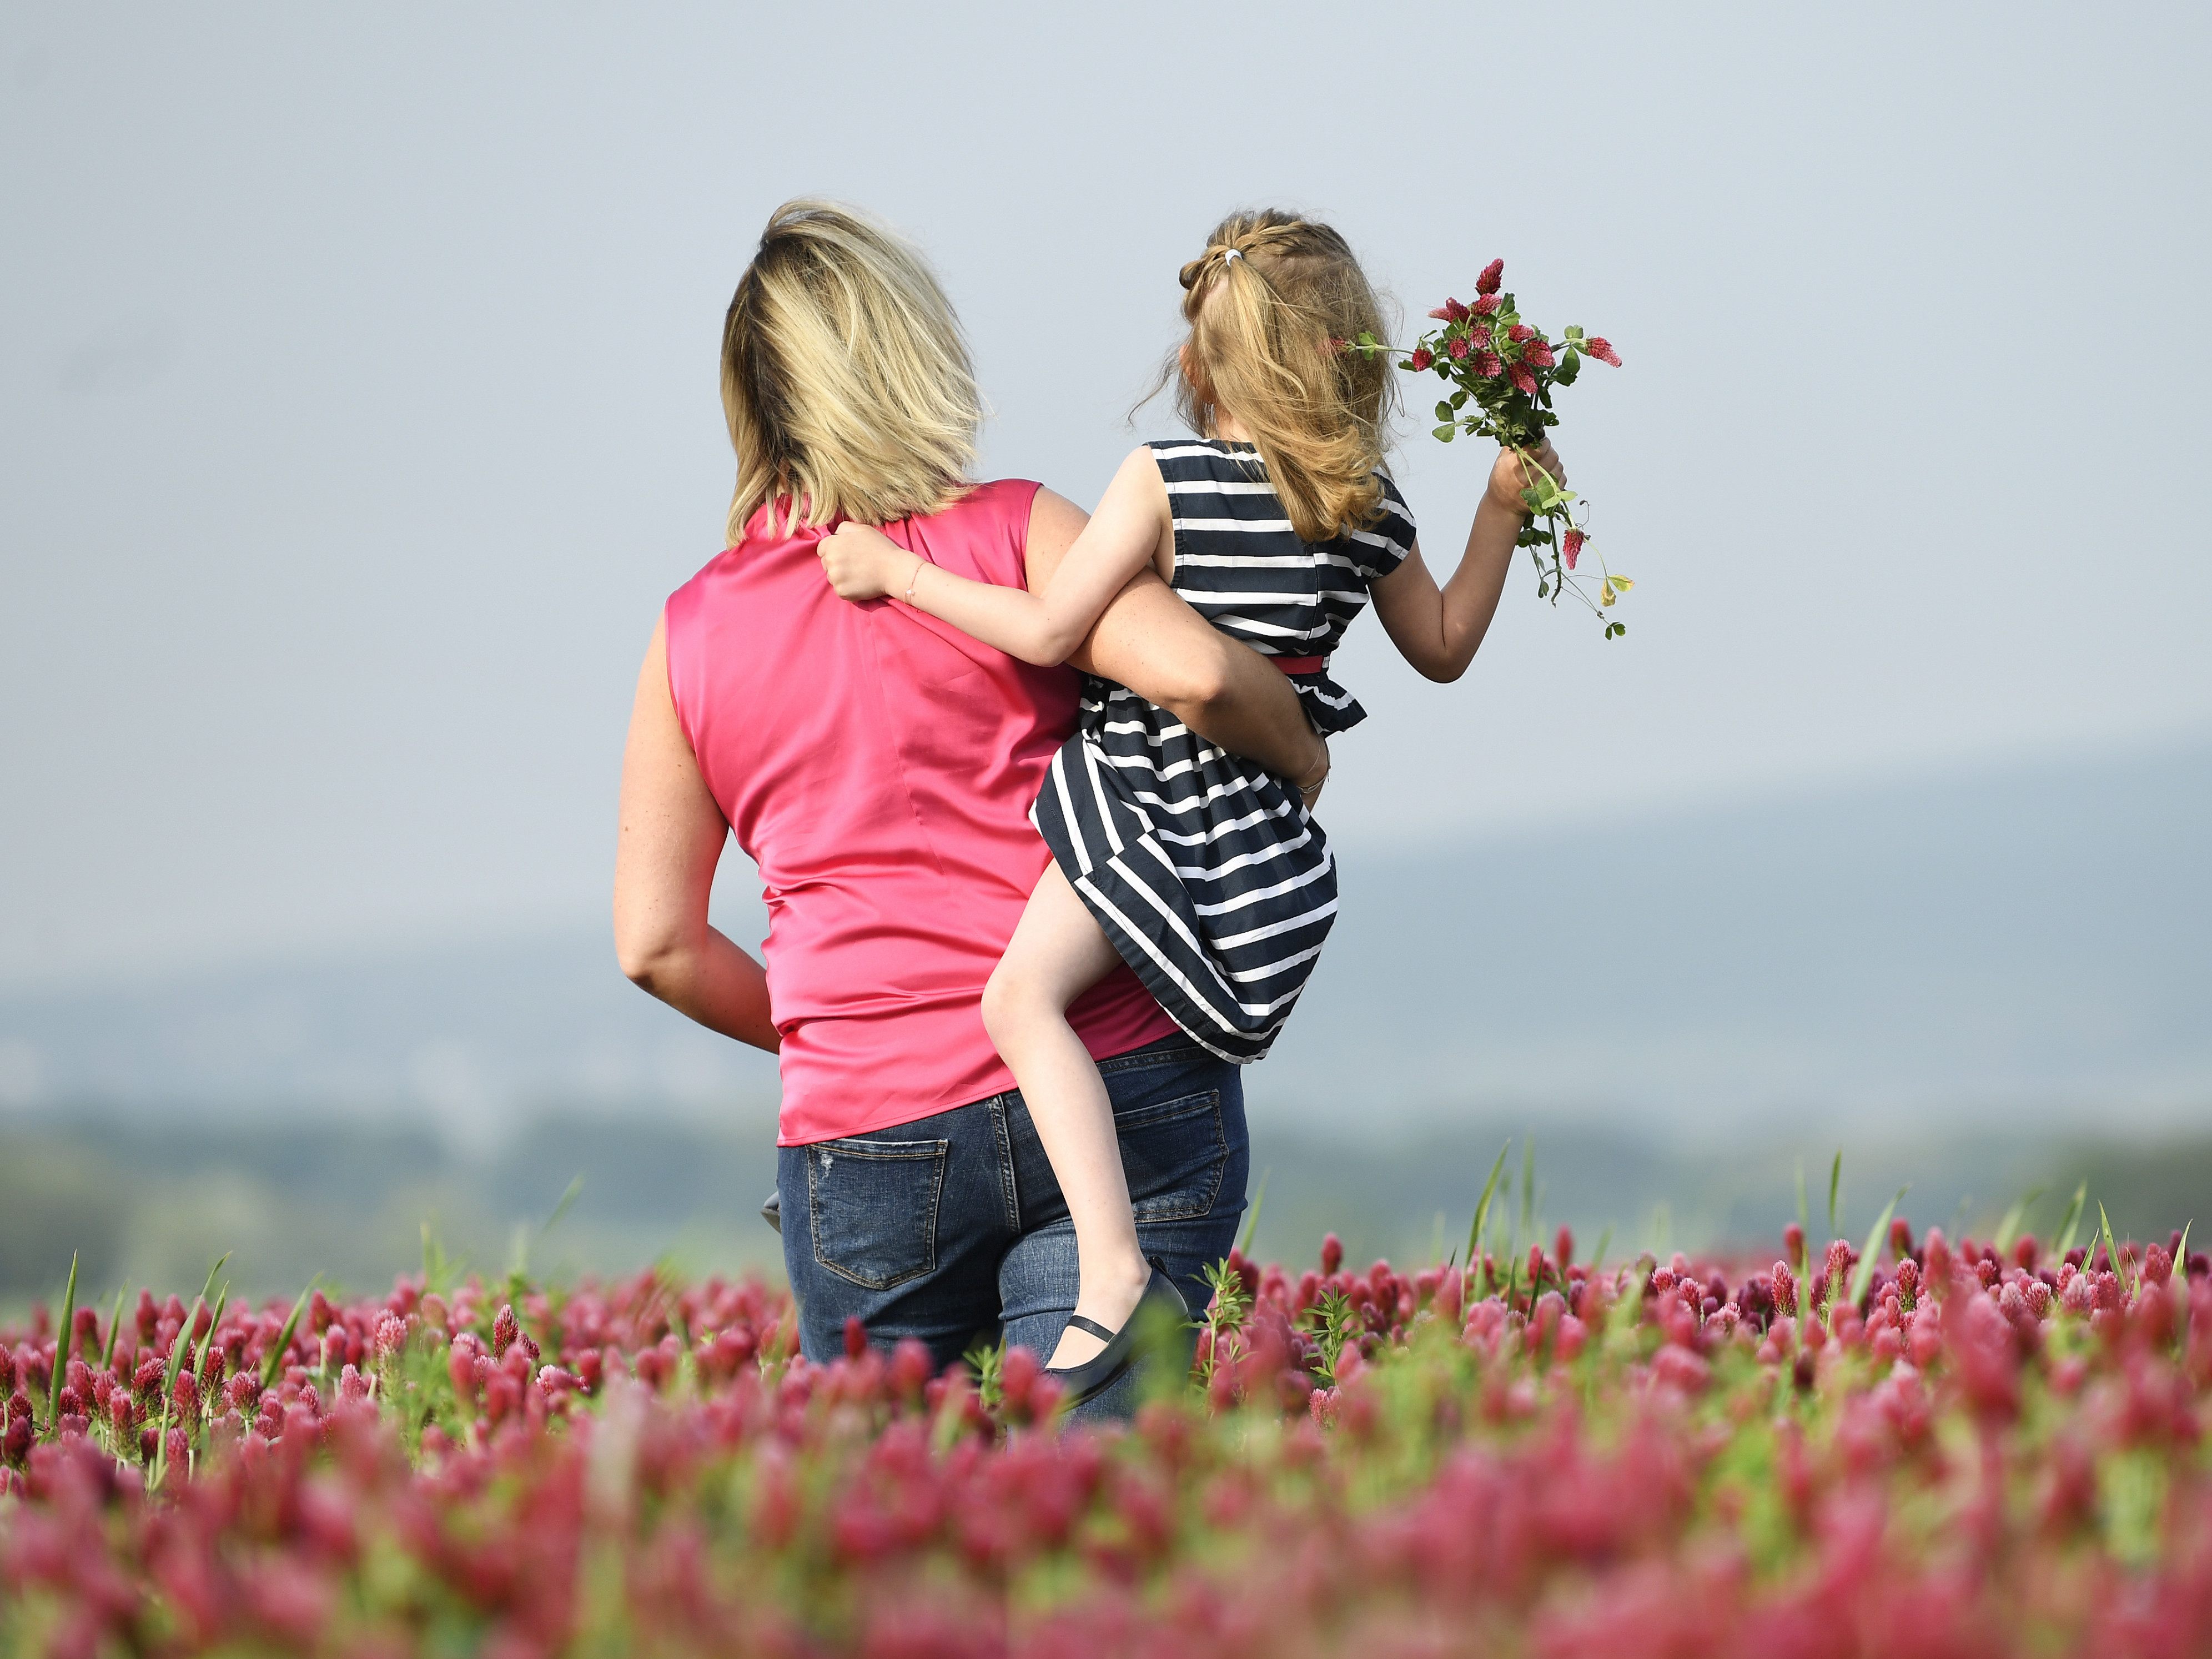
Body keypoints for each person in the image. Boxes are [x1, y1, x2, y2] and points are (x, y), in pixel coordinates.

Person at [816, 209, 1562, 1399]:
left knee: (1019, 1001)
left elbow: (1058, 633)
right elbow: (1445, 646)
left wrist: (900, 573)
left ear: (1200, 361)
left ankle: (1105, 1264)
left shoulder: (1163, 480)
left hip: (1147, 800)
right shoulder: (1363, 508)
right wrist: (1501, 511)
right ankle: (1120, 1249)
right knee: (1126, 1025)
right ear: (1345, 355)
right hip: (1258, 838)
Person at [612, 199, 1326, 1417]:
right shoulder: (1014, 532)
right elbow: (1202, 677)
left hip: (867, 1132)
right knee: (1095, 1518)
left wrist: (848, 1034)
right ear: (911, 351)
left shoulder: (691, 633)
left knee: (906, 1547)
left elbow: (658, 946)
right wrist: (1300, 753)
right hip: (1116, 1079)